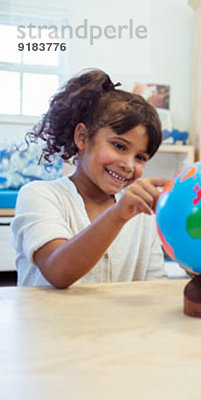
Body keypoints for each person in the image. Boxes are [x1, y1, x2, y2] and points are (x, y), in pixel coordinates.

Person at [11, 69, 169, 288]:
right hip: (47, 323)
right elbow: (57, 271)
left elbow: (154, 288)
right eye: (119, 146)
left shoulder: (142, 216)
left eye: (141, 157)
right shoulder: (39, 195)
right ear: (82, 137)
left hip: (119, 324)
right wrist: (118, 214)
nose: (128, 165)